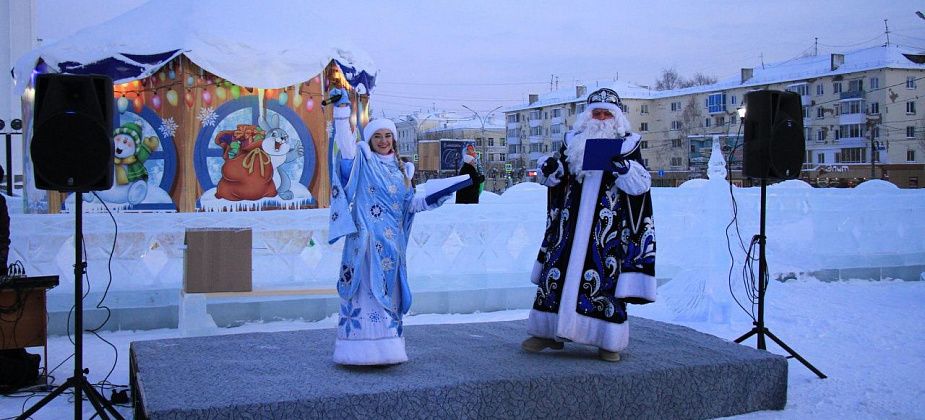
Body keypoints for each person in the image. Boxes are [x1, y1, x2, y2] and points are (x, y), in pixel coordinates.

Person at [522, 88, 656, 362]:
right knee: (555, 277)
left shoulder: (628, 145)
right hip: (568, 229)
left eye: (608, 113)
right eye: (597, 112)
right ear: (588, 116)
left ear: (617, 118)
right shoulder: (573, 143)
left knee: (604, 281)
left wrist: (624, 169)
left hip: (606, 231)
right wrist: (549, 170)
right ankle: (547, 332)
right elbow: (557, 179)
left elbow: (642, 185)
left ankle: (607, 341)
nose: (602, 117)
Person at [327, 87, 452, 365]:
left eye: (388, 136)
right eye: (377, 136)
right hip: (367, 243)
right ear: (370, 140)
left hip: (392, 248)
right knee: (367, 294)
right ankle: (358, 350)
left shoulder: (402, 171)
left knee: (389, 296)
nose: (383, 141)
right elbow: (346, 145)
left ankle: (388, 349)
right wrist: (341, 113)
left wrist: (435, 198)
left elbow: (409, 205)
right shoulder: (363, 160)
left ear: (394, 140)